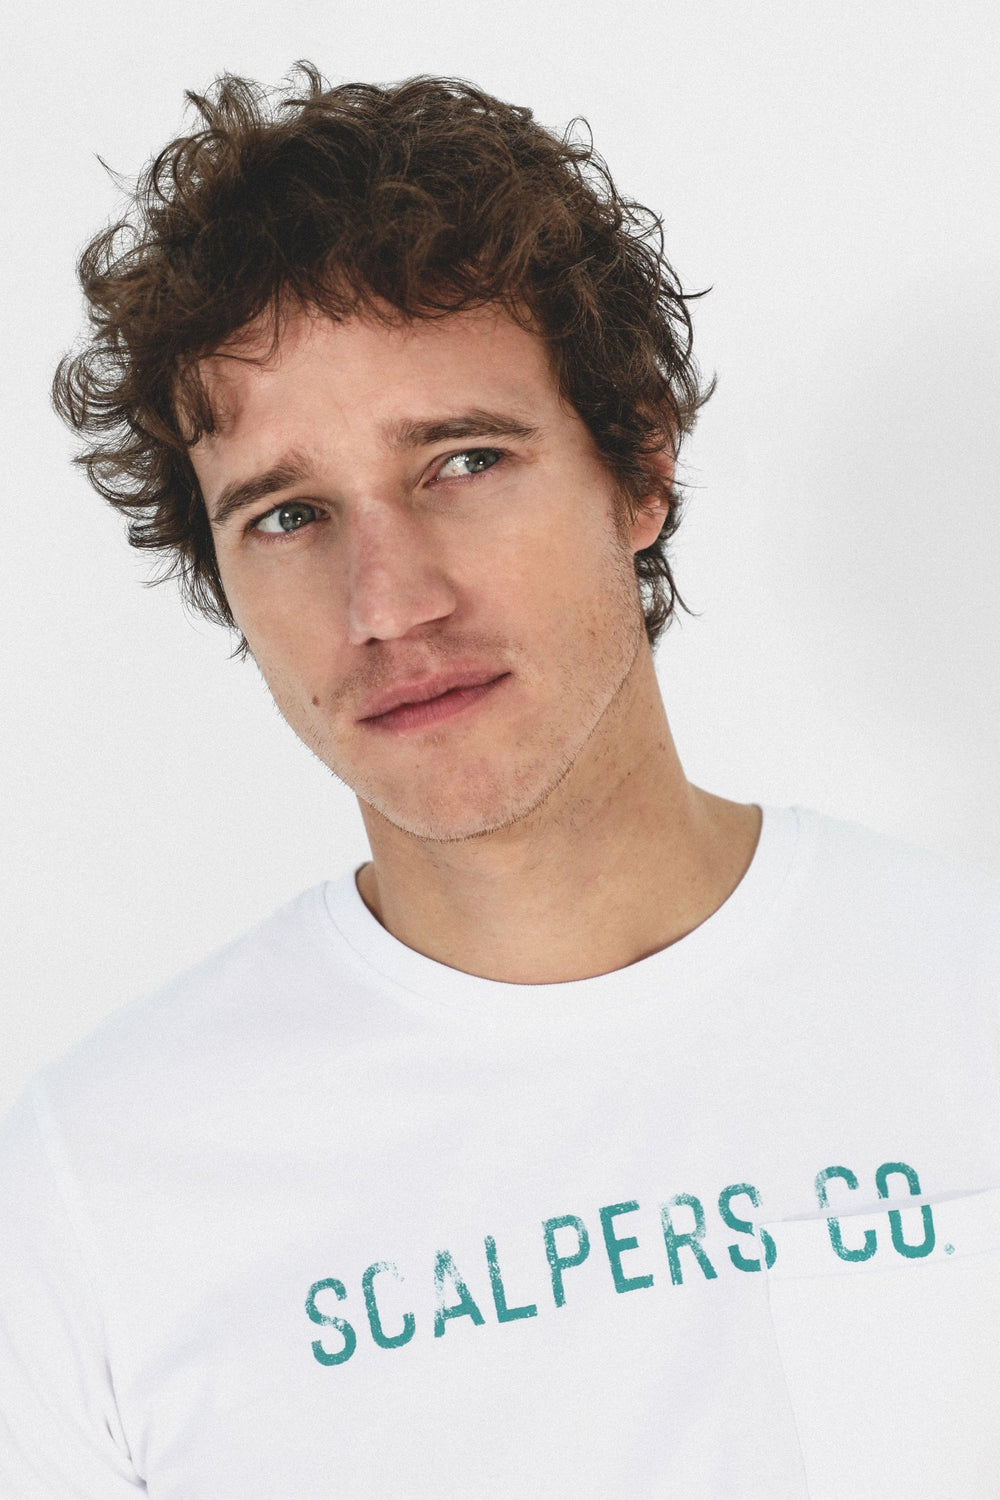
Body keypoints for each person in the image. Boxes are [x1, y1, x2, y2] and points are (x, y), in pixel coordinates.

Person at [1, 63, 997, 1500]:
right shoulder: (89, 1206)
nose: (387, 603)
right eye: (287, 514)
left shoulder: (969, 1006)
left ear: (637, 465)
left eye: (464, 461)